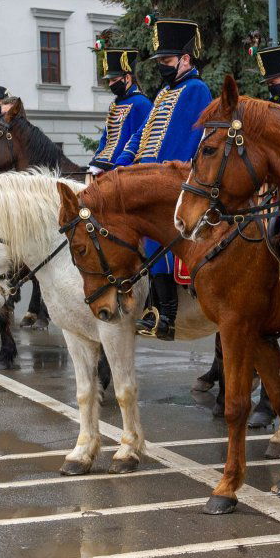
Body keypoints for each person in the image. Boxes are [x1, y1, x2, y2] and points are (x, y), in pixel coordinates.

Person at [115, 18, 212, 340]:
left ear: (186, 59)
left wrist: (174, 173)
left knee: (159, 234)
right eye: (160, 62)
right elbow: (143, 134)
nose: (162, 68)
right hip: (148, 175)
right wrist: (123, 162)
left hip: (175, 179)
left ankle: (166, 313)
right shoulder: (164, 93)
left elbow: (194, 140)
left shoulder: (197, 89)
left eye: (167, 61)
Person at [89, 46, 152, 173]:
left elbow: (140, 141)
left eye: (114, 80)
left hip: (124, 169)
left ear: (127, 78)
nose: (111, 84)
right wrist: (96, 160)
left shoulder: (141, 103)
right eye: (109, 81)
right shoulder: (115, 103)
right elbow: (105, 138)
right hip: (105, 167)